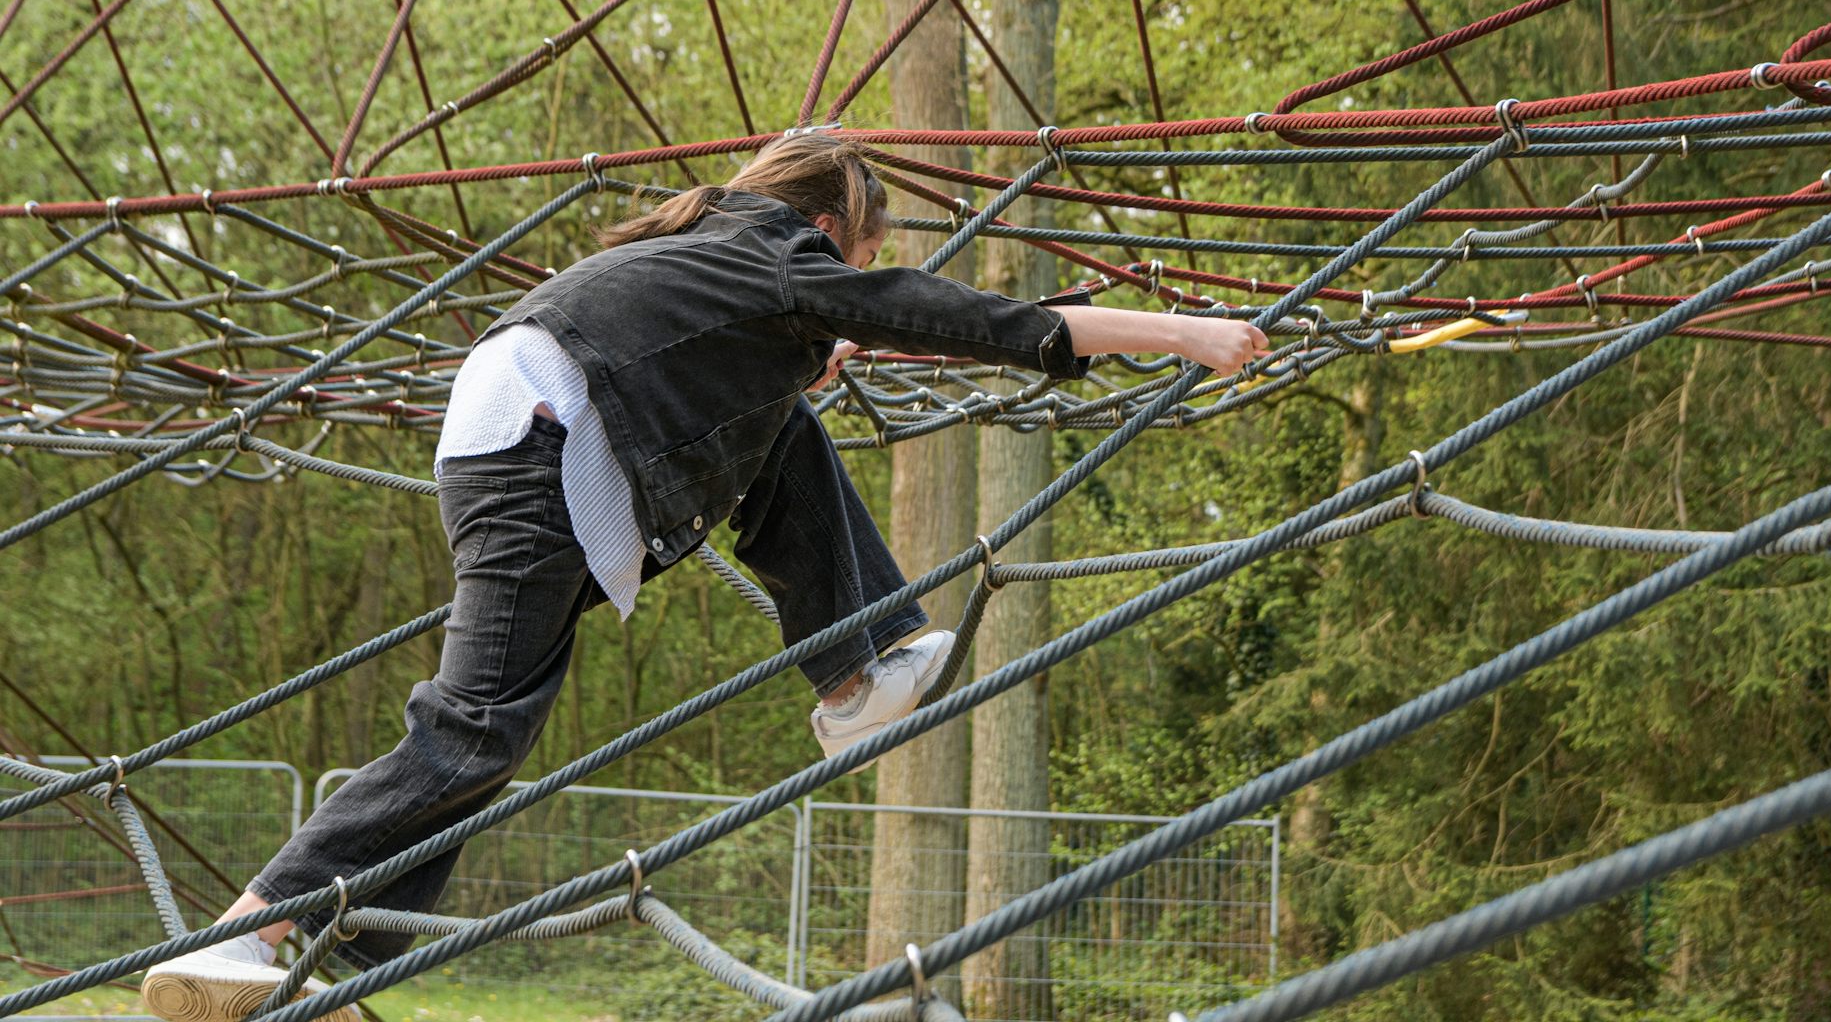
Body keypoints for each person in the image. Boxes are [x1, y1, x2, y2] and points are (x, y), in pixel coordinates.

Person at [138, 134, 1269, 1021]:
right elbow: (971, 320)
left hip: (536, 429)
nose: (847, 278)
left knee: (501, 722)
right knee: (473, 724)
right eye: (853, 253)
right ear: (830, 226)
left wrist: (791, 360)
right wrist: (1185, 334)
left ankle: (850, 673)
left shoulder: (707, 254)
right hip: (542, 442)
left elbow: (707, 379)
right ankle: (247, 927)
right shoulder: (782, 254)